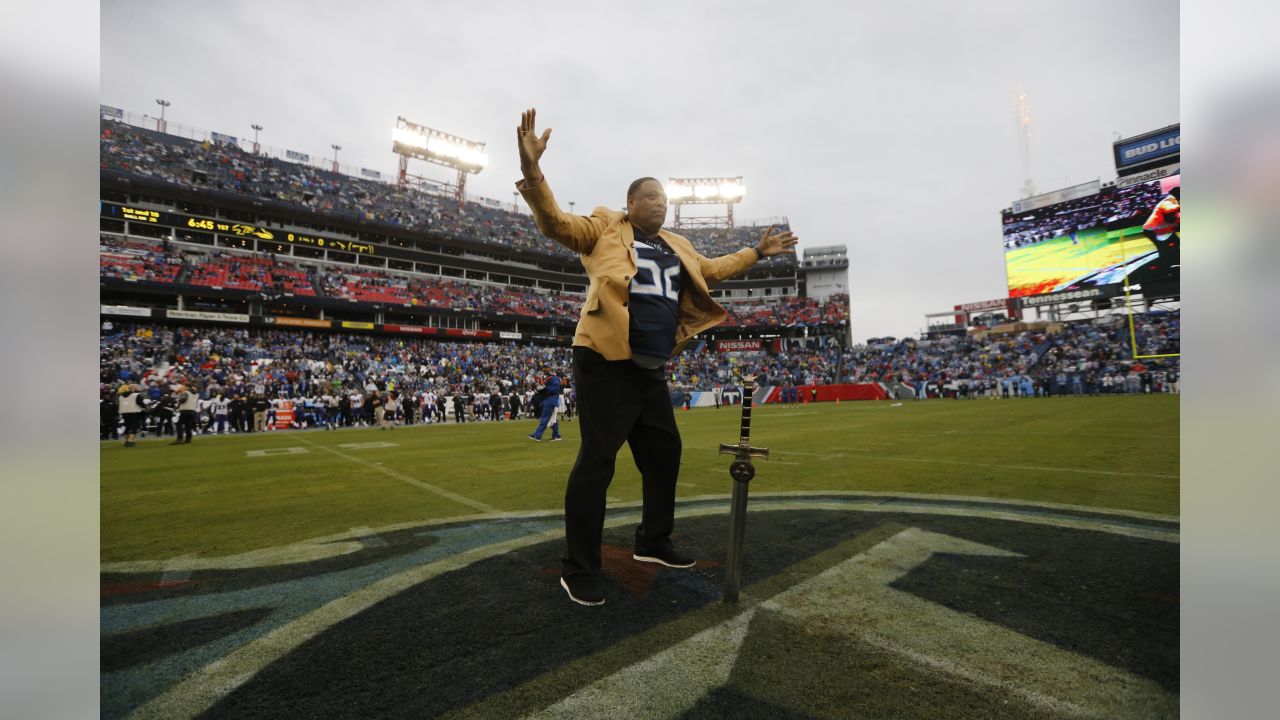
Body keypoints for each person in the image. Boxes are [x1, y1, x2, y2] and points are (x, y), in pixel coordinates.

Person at [515, 108, 798, 606]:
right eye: (652, 197)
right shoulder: (606, 226)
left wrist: (757, 252)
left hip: (651, 365)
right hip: (604, 358)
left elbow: (711, 270)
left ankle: (653, 541)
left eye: (665, 200)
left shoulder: (677, 244)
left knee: (664, 454)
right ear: (631, 201)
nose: (662, 205)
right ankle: (578, 567)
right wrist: (534, 172)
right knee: (596, 464)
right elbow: (555, 223)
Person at [528, 370, 563, 442]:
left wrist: (545, 388)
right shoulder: (549, 378)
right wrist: (538, 389)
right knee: (553, 420)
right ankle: (556, 436)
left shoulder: (553, 378)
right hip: (550, 401)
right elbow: (545, 389)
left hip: (550, 401)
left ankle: (537, 436)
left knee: (544, 418)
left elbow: (556, 389)